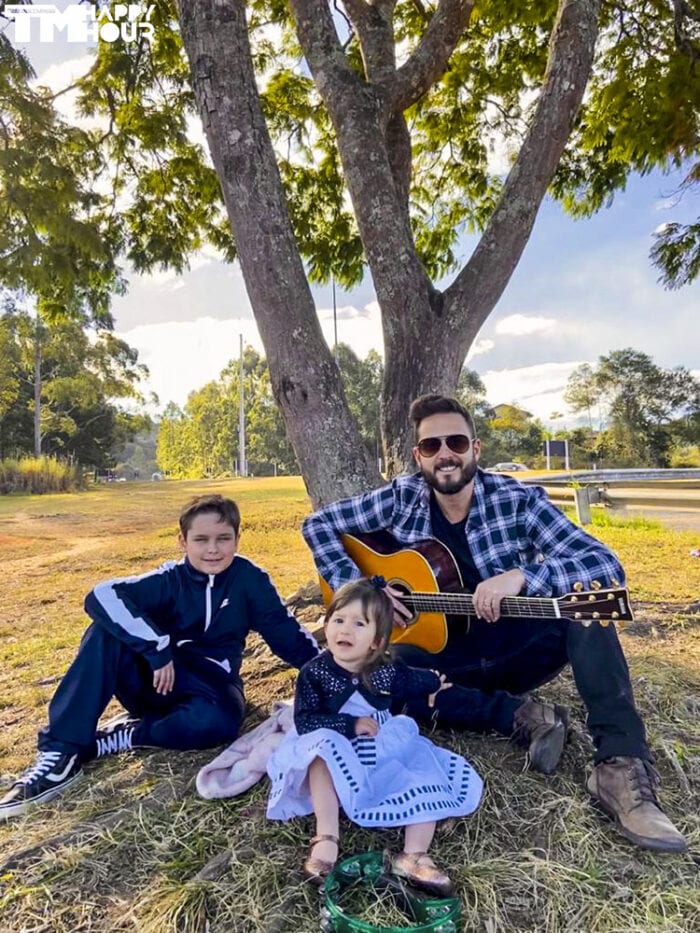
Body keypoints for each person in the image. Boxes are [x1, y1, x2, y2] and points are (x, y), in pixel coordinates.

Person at [302, 394, 687, 854]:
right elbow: (318, 525)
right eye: (431, 446)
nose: (445, 453)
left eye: (456, 442)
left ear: (475, 448)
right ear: (417, 456)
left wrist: (524, 576)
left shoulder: (518, 500)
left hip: (516, 649)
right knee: (380, 677)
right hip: (444, 658)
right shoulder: (401, 498)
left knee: (586, 613)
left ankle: (619, 765)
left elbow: (604, 565)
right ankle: (520, 716)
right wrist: (366, 595)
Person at [0, 494, 318, 820]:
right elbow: (102, 595)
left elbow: (286, 633)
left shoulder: (249, 580)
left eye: (224, 539)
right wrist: (157, 648)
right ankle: (61, 752)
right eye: (201, 539)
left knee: (219, 724)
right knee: (104, 631)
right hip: (156, 680)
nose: (213, 549)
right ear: (183, 541)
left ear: (237, 539)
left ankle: (124, 736)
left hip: (210, 687)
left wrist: (331, 671)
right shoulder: (170, 580)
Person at [266, 578, 483, 893]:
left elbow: (411, 680)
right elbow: (306, 720)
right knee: (320, 756)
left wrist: (434, 682)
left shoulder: (386, 668)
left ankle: (413, 855)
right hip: (333, 737)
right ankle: (326, 839)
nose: (345, 630)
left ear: (377, 641)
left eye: (358, 624)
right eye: (338, 620)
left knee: (422, 770)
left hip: (381, 742)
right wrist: (349, 725)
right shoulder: (314, 673)